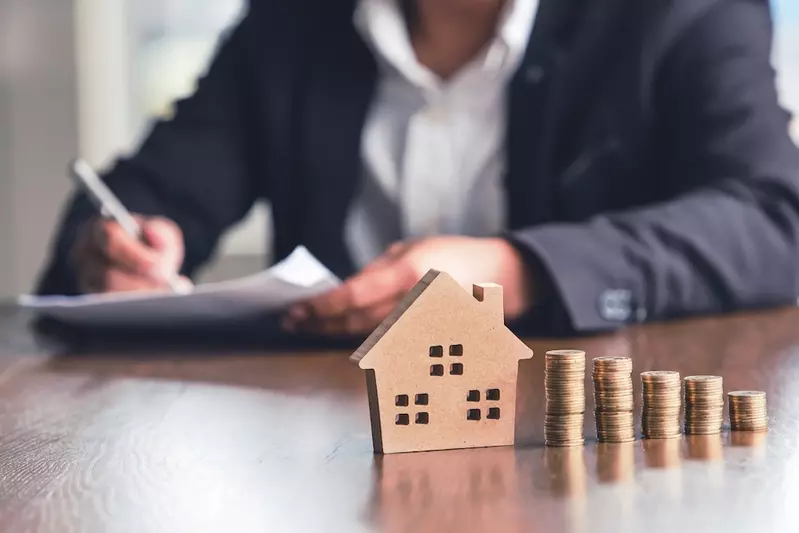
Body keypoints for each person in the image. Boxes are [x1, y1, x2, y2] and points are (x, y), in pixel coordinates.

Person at [38, 0, 799, 337]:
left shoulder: (680, 12)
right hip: (330, 454)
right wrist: (115, 250)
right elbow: (139, 197)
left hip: (596, 452)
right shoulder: (291, 23)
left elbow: (775, 219)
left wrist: (520, 268)